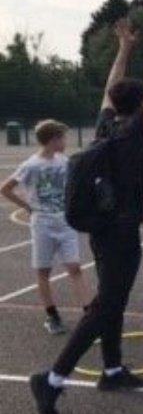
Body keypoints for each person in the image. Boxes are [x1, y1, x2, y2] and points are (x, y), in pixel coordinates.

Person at [30, 12, 143, 414]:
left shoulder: (105, 125)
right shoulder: (135, 130)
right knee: (105, 308)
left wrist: (124, 49)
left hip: (103, 229)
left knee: (114, 301)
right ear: (140, 105)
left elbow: (112, 88)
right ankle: (51, 380)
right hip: (122, 232)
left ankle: (111, 369)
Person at [1, 120, 91, 335]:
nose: (65, 141)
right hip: (42, 224)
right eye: (62, 137)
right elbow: (5, 188)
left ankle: (90, 314)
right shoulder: (31, 165)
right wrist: (28, 206)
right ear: (53, 140)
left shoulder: (64, 161)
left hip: (65, 221)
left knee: (75, 267)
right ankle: (53, 316)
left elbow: (73, 186)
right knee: (44, 271)